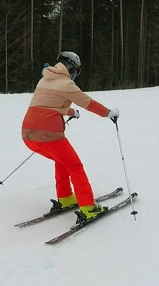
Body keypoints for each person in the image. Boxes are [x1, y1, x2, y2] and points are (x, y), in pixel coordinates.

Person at [21, 51, 120, 223]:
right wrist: (109, 113)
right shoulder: (66, 84)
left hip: (28, 136)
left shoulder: (44, 79)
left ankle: (66, 197)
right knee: (75, 166)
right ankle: (89, 207)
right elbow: (88, 103)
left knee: (62, 161)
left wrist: (72, 112)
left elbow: (50, 103)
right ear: (71, 69)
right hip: (49, 136)